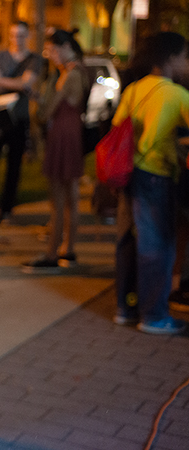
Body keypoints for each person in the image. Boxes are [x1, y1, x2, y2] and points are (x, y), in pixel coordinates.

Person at [111, 32, 189, 334]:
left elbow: (119, 128)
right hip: (158, 176)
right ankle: (154, 315)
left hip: (129, 175)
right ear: (170, 59)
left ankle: (125, 307)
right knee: (157, 245)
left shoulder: (134, 89)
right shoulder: (176, 94)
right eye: (184, 57)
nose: (186, 63)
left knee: (128, 241)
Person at [22, 29, 90, 272]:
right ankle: (67, 249)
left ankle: (53, 253)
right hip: (72, 133)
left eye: (52, 50)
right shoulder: (78, 71)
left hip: (62, 134)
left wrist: (37, 99)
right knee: (70, 194)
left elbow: (49, 111)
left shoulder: (69, 75)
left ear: (62, 47)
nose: (50, 56)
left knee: (58, 197)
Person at [0, 21, 45, 222]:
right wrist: (18, 86)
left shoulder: (34, 59)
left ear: (27, 36)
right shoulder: (1, 55)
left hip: (19, 118)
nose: (16, 40)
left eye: (20, 35)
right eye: (13, 35)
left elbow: (25, 82)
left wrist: (2, 82)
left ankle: (6, 210)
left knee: (14, 167)